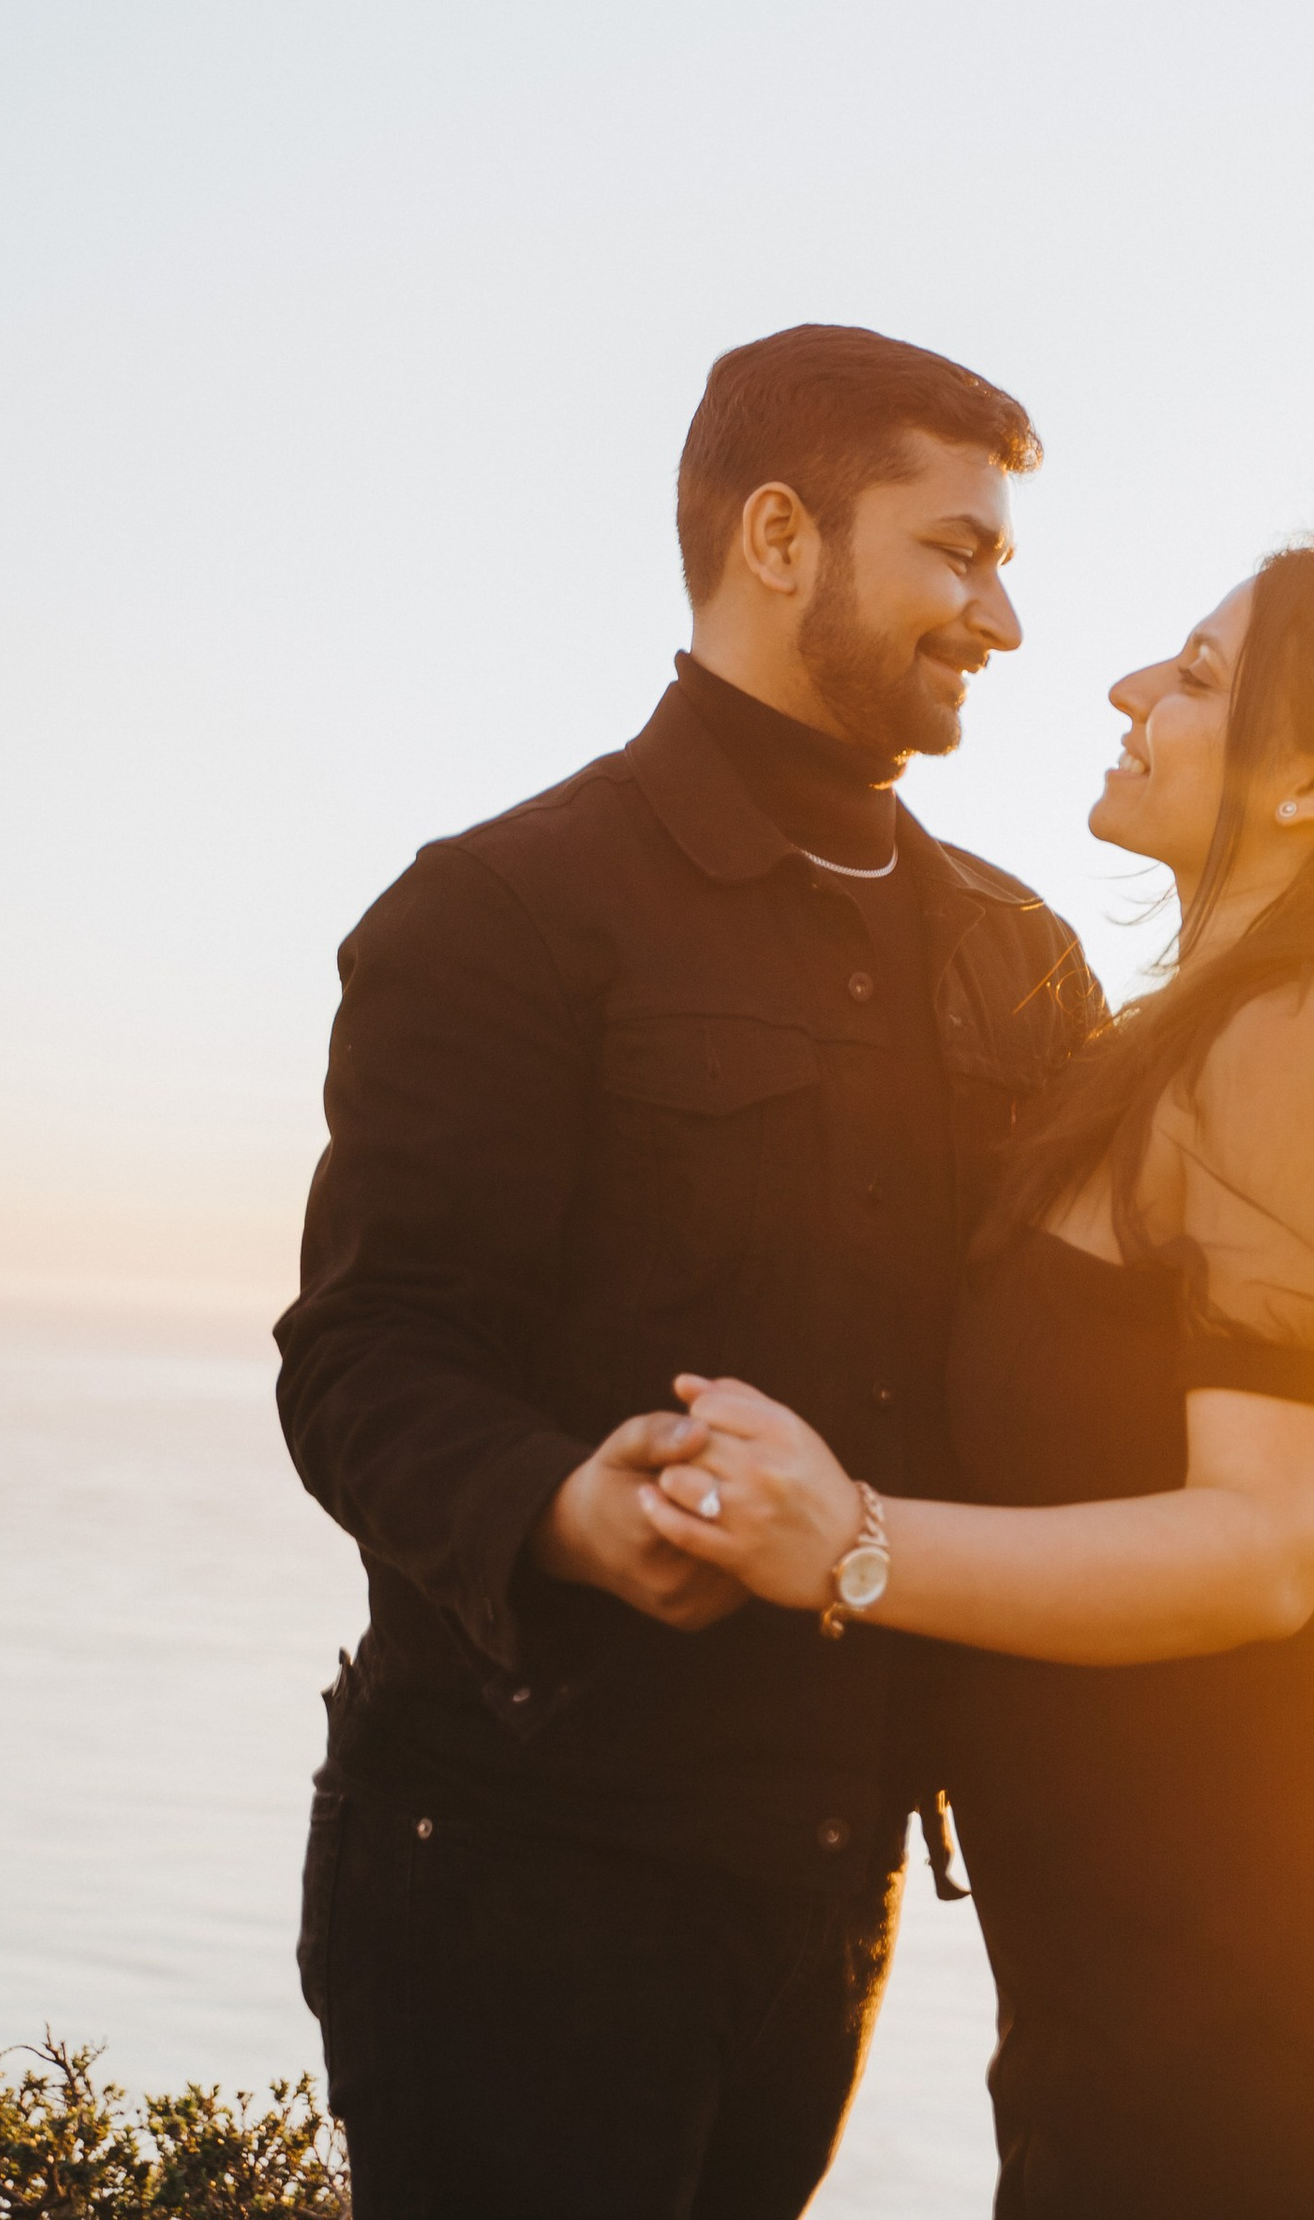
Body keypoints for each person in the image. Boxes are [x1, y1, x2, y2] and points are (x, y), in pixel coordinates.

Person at [642, 538, 1314, 2220]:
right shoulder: (1194, 1036)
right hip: (1164, 1885)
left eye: (1202, 677)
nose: (1133, 693)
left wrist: (850, 1541)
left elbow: (1270, 1544)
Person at [274, 325, 1100, 2220]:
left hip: (837, 1877)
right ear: (785, 539)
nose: (1005, 618)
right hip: (512, 1872)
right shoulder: (500, 912)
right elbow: (363, 1354)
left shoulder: (1020, 958)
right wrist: (560, 1506)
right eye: (961, 553)